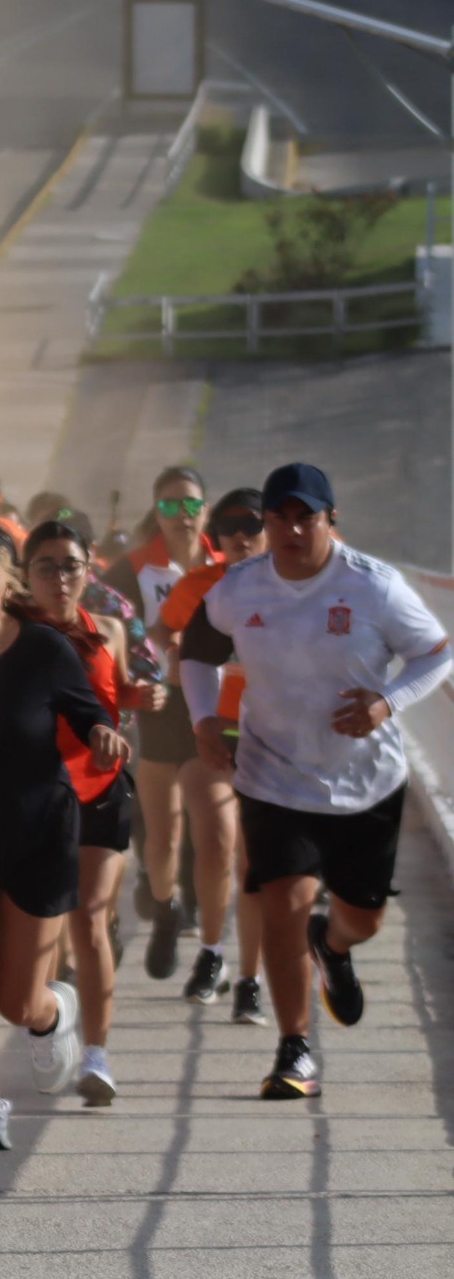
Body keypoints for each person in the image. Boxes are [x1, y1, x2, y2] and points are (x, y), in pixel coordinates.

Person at [181, 463, 452, 1099]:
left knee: (363, 919)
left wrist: (386, 702)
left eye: (307, 517)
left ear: (332, 520)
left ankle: (334, 947)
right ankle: (293, 1048)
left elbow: (436, 653)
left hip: (367, 780)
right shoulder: (239, 586)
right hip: (274, 772)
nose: (292, 529)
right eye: (279, 517)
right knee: (283, 899)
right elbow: (195, 649)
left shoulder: (374, 587)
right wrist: (203, 720)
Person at [0, 525, 129, 1151]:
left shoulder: (46, 648)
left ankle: (54, 1015)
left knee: (17, 1001)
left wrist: (104, 733)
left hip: (38, 830)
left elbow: (88, 711)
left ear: (5, 580)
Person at [25, 519, 166, 1106]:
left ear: (89, 571)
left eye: (71, 566)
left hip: (103, 790)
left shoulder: (107, 627)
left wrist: (142, 697)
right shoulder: (10, 636)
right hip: (34, 795)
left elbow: (118, 692)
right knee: (45, 926)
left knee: (90, 920)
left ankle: (97, 1056)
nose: (61, 578)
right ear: (27, 574)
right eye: (48, 566)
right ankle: (50, 1020)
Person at [158, 489, 271, 1023]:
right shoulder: (200, 586)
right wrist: (178, 663)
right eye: (228, 527)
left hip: (273, 738)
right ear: (215, 537)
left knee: (254, 860)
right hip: (209, 731)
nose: (241, 536)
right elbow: (161, 631)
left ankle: (249, 978)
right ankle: (211, 951)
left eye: (251, 523)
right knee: (216, 840)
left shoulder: (293, 588)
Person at [104, 466, 216, 981]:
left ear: (205, 510)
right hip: (161, 710)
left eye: (192, 505)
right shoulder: (134, 569)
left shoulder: (229, 562)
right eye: (170, 506)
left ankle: (208, 937)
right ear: (157, 511)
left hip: (218, 711)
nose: (182, 516)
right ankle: (166, 905)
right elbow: (107, 629)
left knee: (215, 825)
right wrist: (147, 655)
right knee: (165, 833)